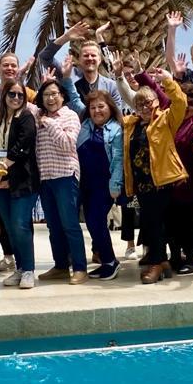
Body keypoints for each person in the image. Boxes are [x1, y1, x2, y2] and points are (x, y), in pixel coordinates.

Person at [121, 68, 188, 283]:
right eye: (139, 104)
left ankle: (157, 263)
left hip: (160, 182)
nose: (144, 107)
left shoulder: (166, 119)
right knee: (150, 222)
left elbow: (180, 103)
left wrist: (168, 82)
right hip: (141, 183)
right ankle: (162, 260)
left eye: (148, 102)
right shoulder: (131, 125)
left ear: (157, 102)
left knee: (155, 222)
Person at [32, 76, 87, 284]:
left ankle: (80, 267)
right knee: (53, 226)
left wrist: (49, 123)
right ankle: (61, 266)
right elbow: (17, 99)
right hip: (45, 178)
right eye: (46, 95)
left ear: (63, 96)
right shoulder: (37, 114)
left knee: (70, 224)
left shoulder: (69, 116)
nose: (50, 98)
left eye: (54, 94)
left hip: (65, 175)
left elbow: (67, 144)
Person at [67, 84, 124, 280]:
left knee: (96, 221)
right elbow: (74, 101)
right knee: (91, 224)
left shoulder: (116, 130)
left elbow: (117, 160)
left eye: (101, 107)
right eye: (92, 108)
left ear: (110, 107)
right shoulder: (85, 126)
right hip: (85, 183)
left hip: (105, 184)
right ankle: (106, 260)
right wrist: (66, 79)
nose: (96, 111)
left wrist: (116, 185)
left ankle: (110, 261)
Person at [0, 81, 40, 289]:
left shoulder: (25, 116)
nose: (16, 98)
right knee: (10, 228)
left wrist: (4, 167)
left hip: (22, 180)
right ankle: (20, 268)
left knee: (20, 225)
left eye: (20, 95)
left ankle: (28, 269)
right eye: (12, 94)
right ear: (4, 95)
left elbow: (25, 143)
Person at [166, 82, 193, 274]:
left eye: (192, 102)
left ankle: (191, 259)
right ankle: (175, 256)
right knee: (171, 219)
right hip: (168, 180)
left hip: (189, 180)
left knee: (188, 219)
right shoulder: (172, 119)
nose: (188, 106)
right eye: (184, 102)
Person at [38, 20, 123, 109]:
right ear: (79, 59)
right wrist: (66, 37)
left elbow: (117, 114)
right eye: (86, 56)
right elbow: (45, 57)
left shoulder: (111, 86)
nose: (90, 58)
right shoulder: (68, 74)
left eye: (93, 55)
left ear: (100, 59)